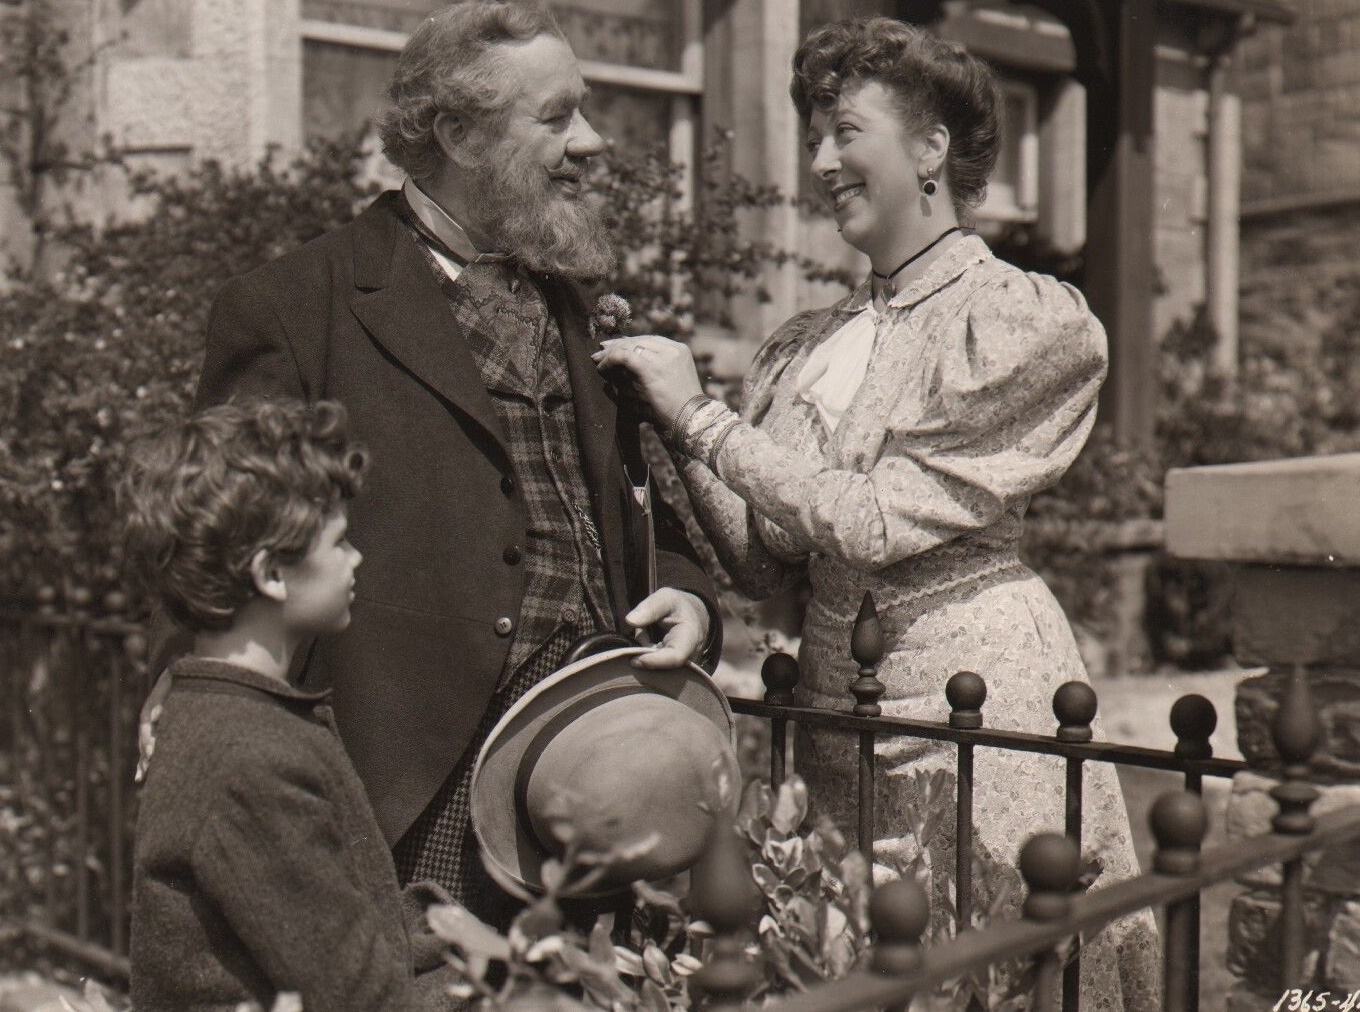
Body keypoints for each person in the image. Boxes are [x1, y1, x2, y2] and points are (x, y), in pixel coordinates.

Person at [594, 16, 1158, 1011]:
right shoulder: (806, 344)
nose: (819, 161)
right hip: (830, 712)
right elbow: (770, 562)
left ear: (931, 145)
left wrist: (701, 416)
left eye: (844, 131)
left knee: (988, 970)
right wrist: (664, 427)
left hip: (973, 705)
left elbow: (867, 523)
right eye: (813, 135)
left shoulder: (1022, 321)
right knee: (854, 967)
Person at [176, 0, 719, 926]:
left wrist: (682, 584)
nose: (592, 143)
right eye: (557, 117)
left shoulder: (575, 298)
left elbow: (634, 505)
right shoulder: (296, 305)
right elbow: (225, 549)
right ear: (460, 135)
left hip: (593, 761)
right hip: (410, 785)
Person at [124, 397, 458, 1012]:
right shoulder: (248, 756)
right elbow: (357, 996)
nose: (356, 559)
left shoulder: (235, 720)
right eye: (339, 542)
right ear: (271, 574)